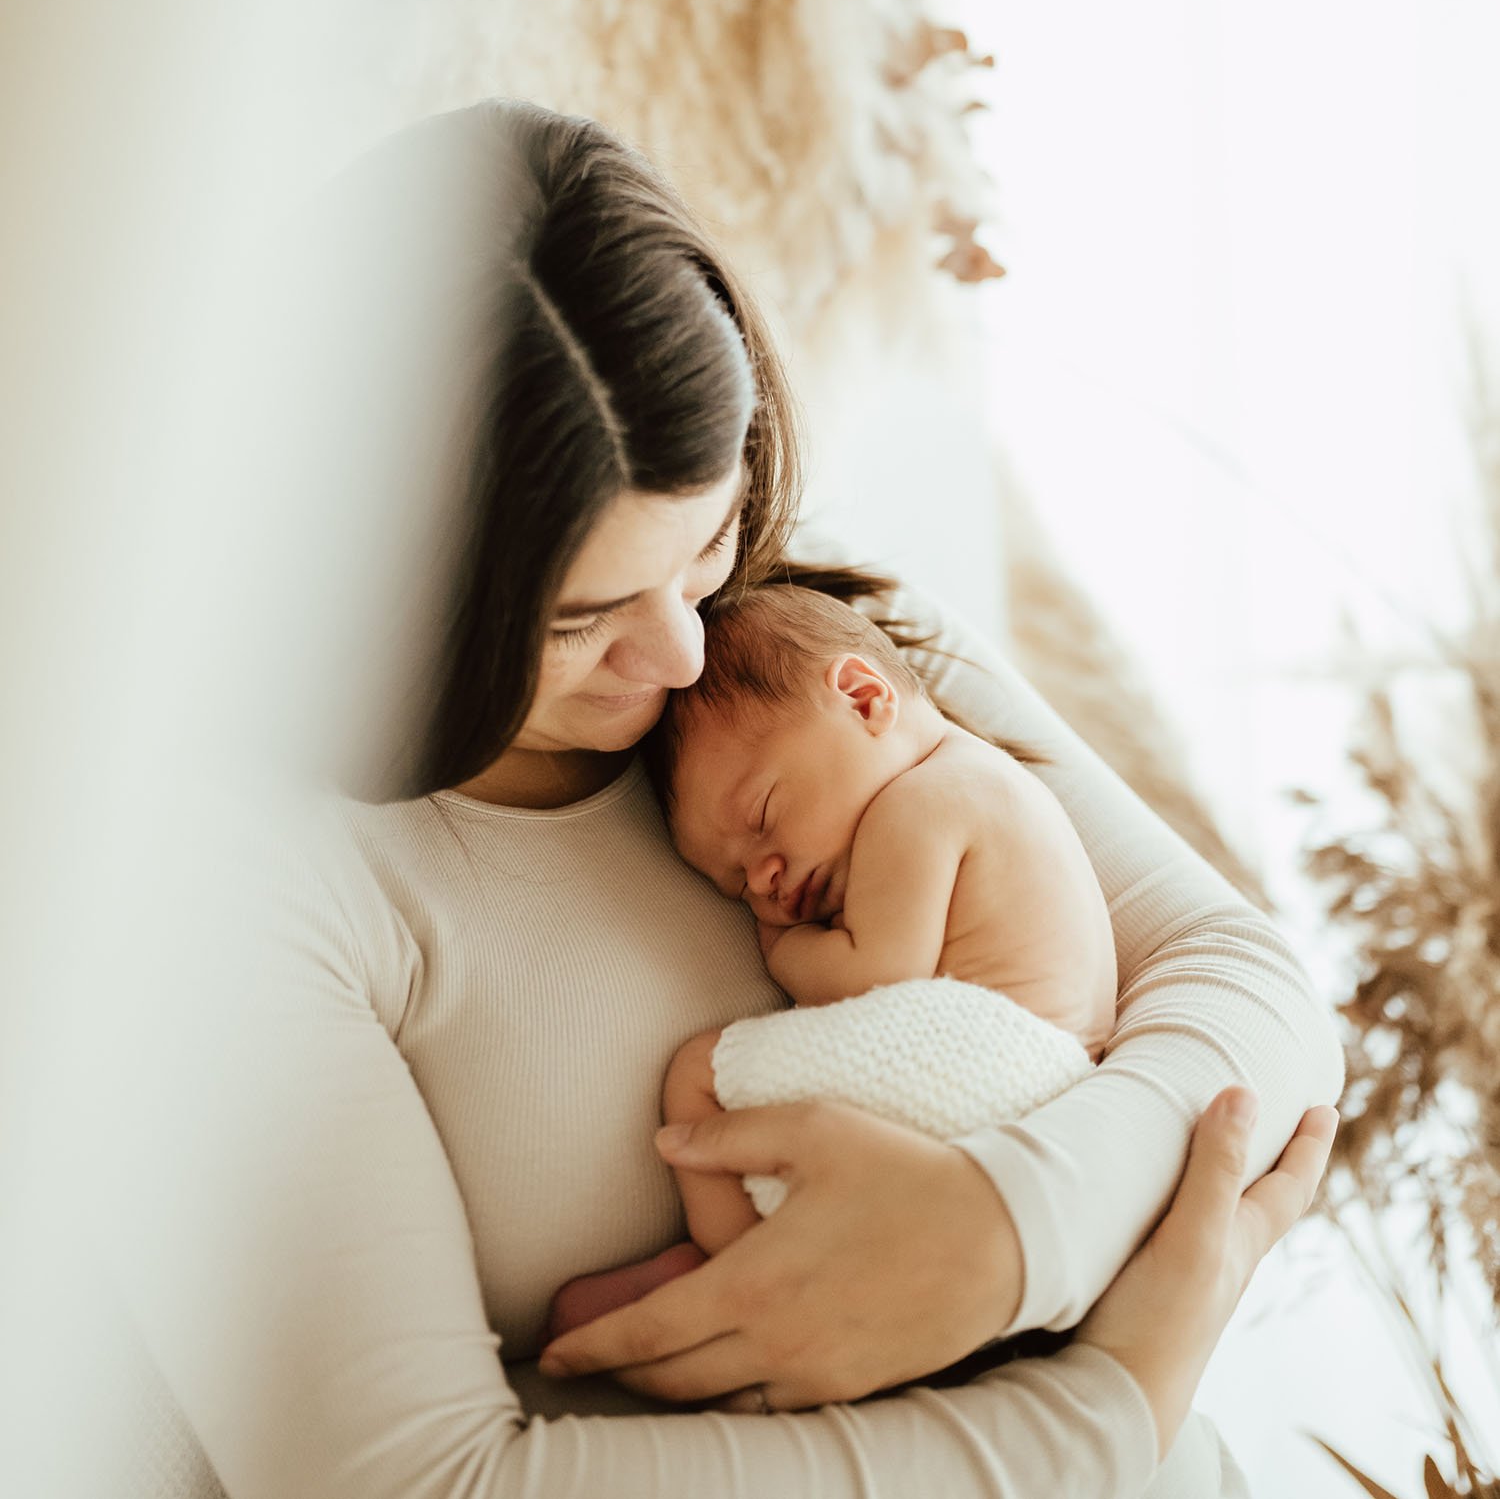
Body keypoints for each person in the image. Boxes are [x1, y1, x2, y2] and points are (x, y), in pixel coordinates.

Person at [124, 102, 1341, 1499]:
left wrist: (1010, 1229)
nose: (682, 650)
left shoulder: (824, 655)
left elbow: (1253, 993)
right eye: (581, 618)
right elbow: (410, 1482)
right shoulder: (240, 882)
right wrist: (1100, 1412)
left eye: (703, 542)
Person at [549, 579, 1118, 1325]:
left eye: (761, 816)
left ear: (861, 697)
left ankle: (740, 1270)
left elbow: (873, 978)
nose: (762, 877)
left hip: (996, 1063)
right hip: (1057, 1100)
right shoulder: (984, 779)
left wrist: (783, 945)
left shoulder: (918, 804)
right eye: (732, 886)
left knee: (700, 1076)